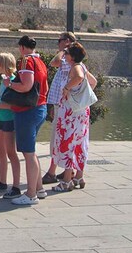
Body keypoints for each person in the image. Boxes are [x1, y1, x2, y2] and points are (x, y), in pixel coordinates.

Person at [7, 35, 49, 206]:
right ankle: (39, 188)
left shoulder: (26, 61)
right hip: (41, 107)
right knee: (31, 151)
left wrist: (9, 84)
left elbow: (26, 85)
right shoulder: (41, 62)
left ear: (22, 47)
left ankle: (31, 194)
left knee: (28, 153)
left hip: (27, 110)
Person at [52, 42, 96, 192]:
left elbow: (78, 77)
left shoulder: (76, 67)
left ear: (72, 56)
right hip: (81, 111)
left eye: (67, 53)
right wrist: (81, 96)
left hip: (71, 113)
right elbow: (93, 82)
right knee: (79, 143)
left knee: (68, 142)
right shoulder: (83, 66)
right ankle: (79, 176)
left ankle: (66, 181)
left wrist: (67, 88)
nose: (64, 55)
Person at [0, 53, 22, 199]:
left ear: (5, 64)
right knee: (1, 151)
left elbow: (14, 104)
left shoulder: (13, 81)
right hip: (0, 118)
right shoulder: (4, 81)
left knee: (11, 152)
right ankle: (2, 182)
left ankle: (16, 186)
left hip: (9, 119)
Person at [43, 32, 76, 184]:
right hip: (60, 104)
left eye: (60, 41)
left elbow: (53, 62)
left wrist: (64, 49)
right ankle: (69, 170)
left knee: (57, 139)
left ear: (67, 41)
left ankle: (52, 172)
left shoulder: (66, 60)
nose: (58, 44)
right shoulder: (72, 62)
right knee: (64, 138)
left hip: (62, 105)